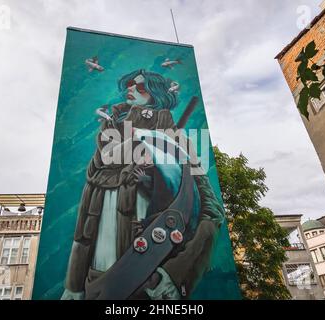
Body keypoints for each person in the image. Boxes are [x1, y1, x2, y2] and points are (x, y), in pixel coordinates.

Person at [61, 69, 224, 300]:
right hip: (95, 284)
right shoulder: (108, 143)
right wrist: (73, 286)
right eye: (129, 84)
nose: (130, 89)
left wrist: (175, 275)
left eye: (140, 87)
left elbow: (212, 212)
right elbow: (86, 221)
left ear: (156, 94)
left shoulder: (180, 145)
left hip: (150, 282)